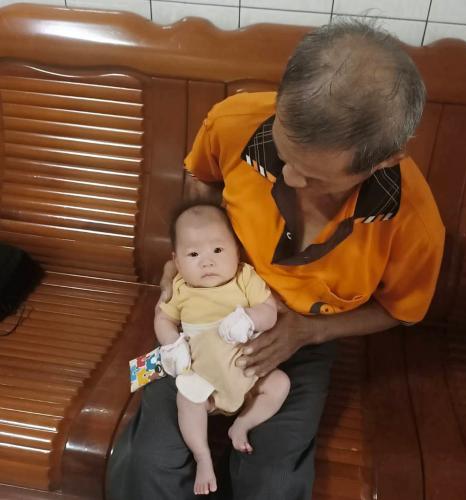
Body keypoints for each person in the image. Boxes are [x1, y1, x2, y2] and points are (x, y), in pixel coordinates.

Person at [107, 19, 445, 500]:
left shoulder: (413, 223)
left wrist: (309, 331)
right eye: (283, 155)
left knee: (275, 483)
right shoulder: (234, 122)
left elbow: (400, 310)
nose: (289, 178)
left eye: (316, 178)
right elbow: (203, 182)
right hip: (205, 319)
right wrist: (188, 258)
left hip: (303, 339)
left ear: (383, 161)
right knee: (148, 461)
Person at [153, 203, 289, 495]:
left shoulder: (245, 277)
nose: (207, 262)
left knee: (280, 383)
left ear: (237, 250)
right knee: (187, 400)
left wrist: (250, 319)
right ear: (176, 261)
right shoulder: (180, 288)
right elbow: (163, 319)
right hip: (205, 384)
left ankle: (243, 424)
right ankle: (203, 456)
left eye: (217, 250)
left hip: (250, 372)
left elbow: (269, 310)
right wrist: (172, 344)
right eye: (193, 254)